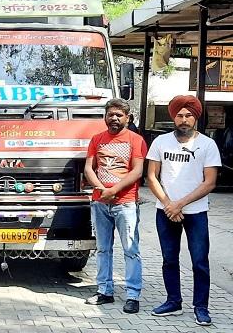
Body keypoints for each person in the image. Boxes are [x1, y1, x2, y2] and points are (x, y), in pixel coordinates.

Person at [146, 95, 221, 326]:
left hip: (196, 213)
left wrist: (180, 204)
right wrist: (169, 204)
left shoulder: (207, 144)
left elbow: (209, 182)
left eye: (188, 115)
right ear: (174, 117)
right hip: (165, 212)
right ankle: (173, 302)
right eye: (180, 115)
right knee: (169, 259)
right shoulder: (161, 142)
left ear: (195, 118)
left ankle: (201, 307)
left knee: (199, 261)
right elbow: (151, 176)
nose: (184, 119)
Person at [84, 98, 146, 314]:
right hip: (100, 203)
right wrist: (102, 189)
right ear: (105, 117)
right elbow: (89, 169)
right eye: (111, 114)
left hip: (126, 202)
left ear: (127, 118)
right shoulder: (97, 139)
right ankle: (105, 291)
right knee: (103, 249)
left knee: (131, 250)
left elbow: (137, 171)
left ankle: (132, 295)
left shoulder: (136, 140)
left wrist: (114, 190)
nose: (114, 118)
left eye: (119, 115)